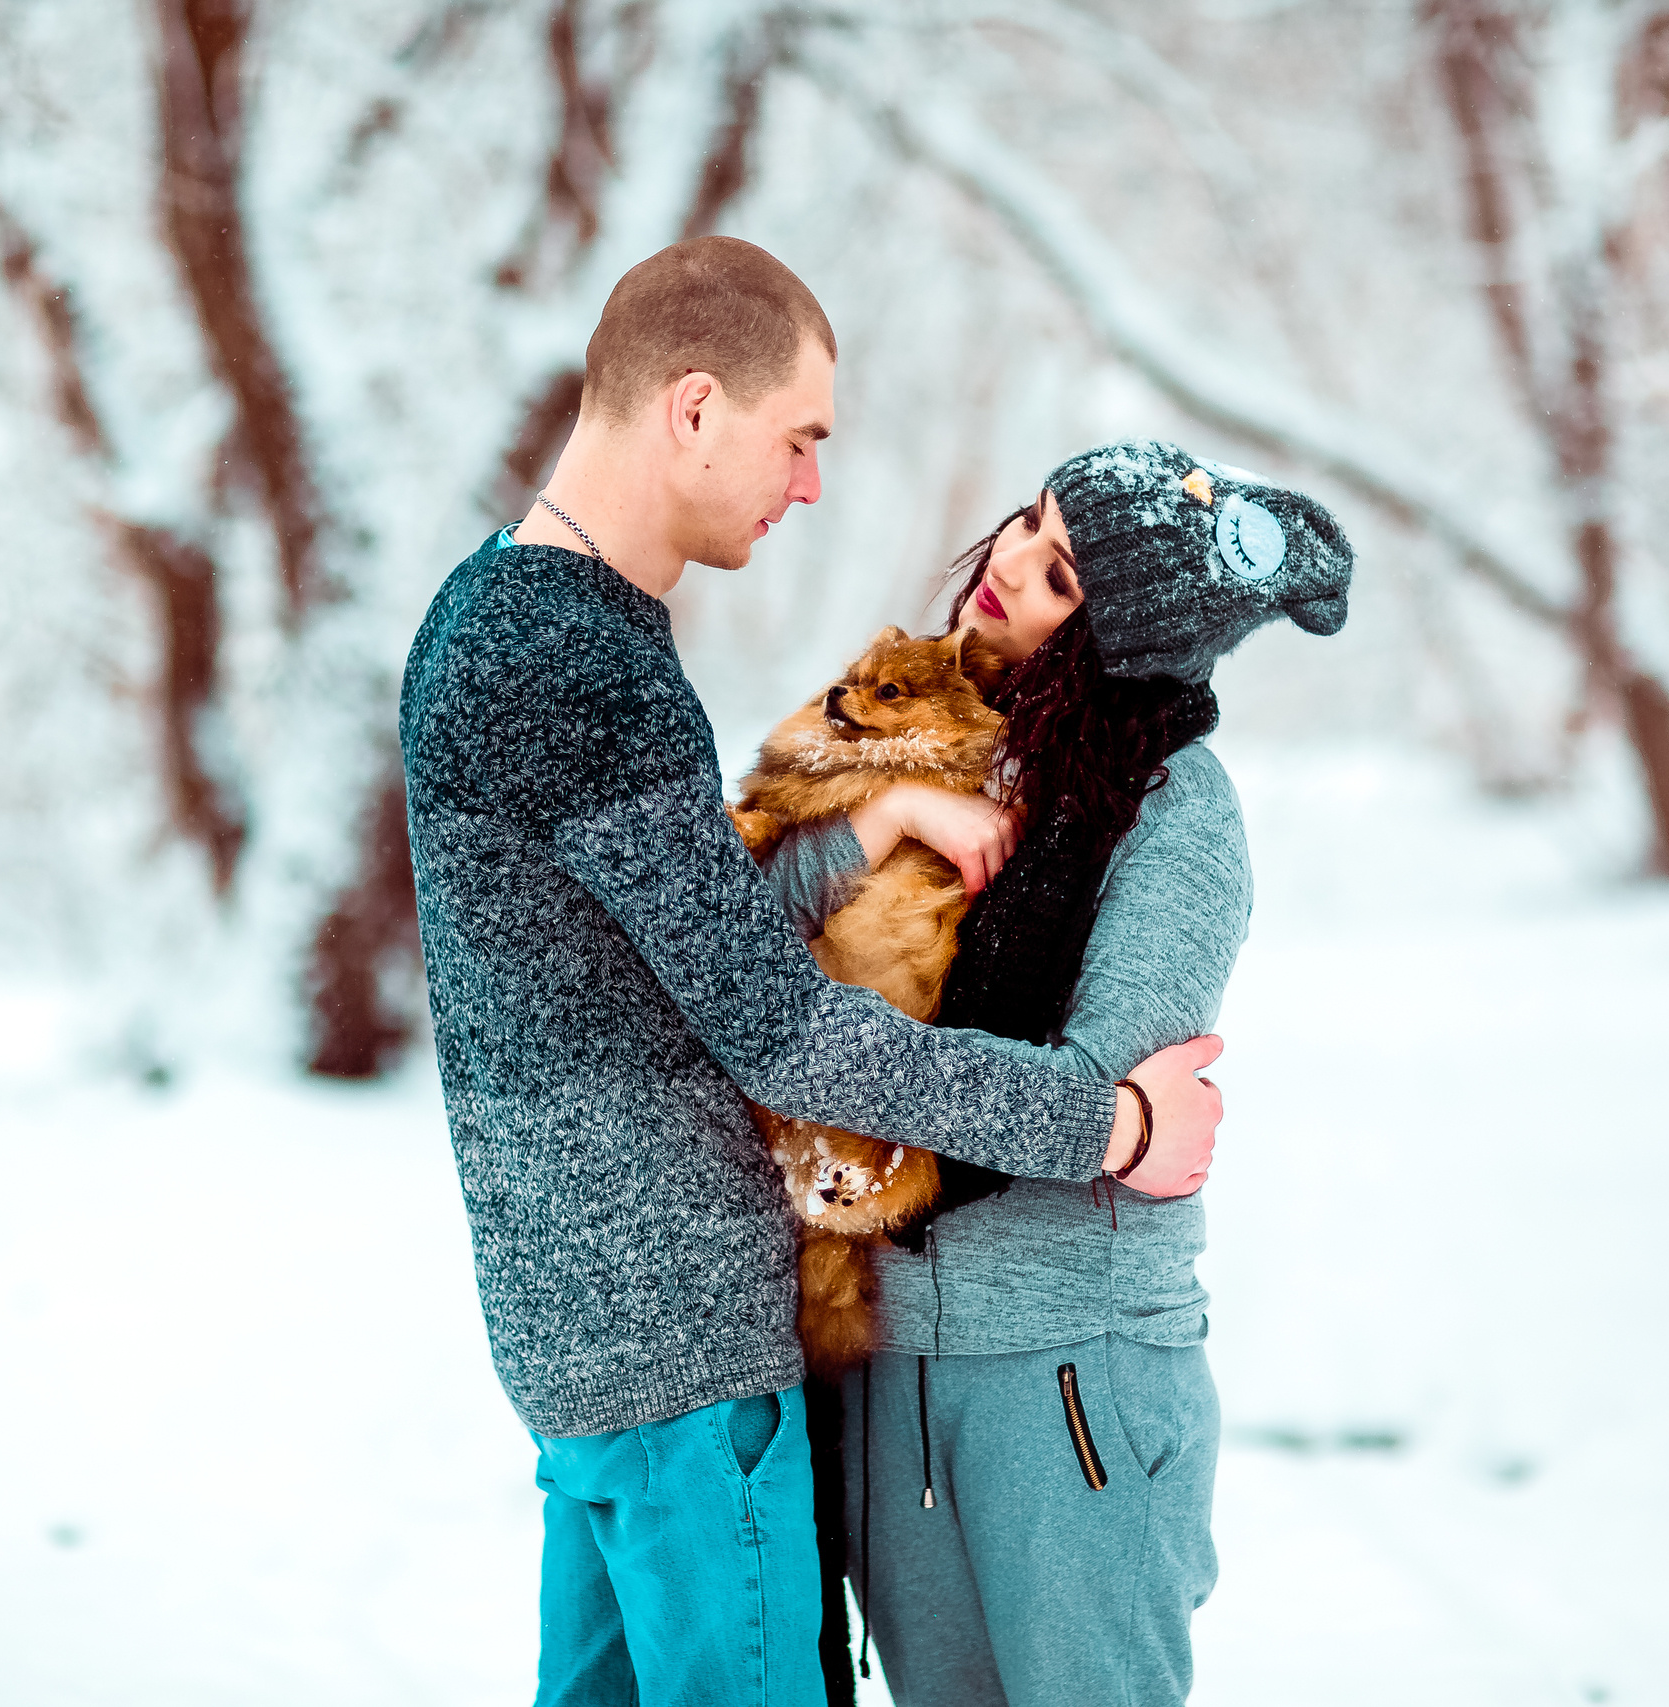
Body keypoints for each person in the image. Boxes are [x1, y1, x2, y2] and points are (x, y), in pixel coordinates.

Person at [398, 240, 1229, 1707]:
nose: (810, 484)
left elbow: (677, 935)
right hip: (684, 1353)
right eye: (799, 439)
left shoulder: (485, 609)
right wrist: (1111, 1126)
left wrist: (865, 824)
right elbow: (780, 1031)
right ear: (694, 408)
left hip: (588, 1342)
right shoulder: (585, 667)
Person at [760, 440, 1354, 1706]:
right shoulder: (913, 733)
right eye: (1029, 524)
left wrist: (823, 1059)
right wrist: (878, 823)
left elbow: (1091, 1097)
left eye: (1063, 576)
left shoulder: (1174, 812)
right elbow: (736, 948)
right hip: (893, 1366)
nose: (1012, 565)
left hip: (1067, 1369)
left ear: (1116, 640)